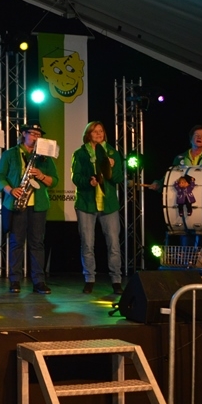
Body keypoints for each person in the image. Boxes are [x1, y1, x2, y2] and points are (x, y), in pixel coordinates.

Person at [0, 122, 57, 294]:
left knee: (37, 243)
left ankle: (39, 281)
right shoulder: (10, 154)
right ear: (24, 134)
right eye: (33, 134)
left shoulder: (45, 157)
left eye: (39, 135)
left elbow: (54, 181)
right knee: (16, 242)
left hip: (38, 206)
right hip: (17, 204)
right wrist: (11, 190)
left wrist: (41, 176)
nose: (36, 137)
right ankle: (15, 280)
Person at [71, 121, 124, 294]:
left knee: (114, 244)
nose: (99, 134)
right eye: (95, 131)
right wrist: (89, 181)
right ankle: (89, 279)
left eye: (101, 131)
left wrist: (111, 167)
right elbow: (76, 177)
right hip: (86, 204)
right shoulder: (80, 153)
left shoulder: (112, 153)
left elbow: (118, 179)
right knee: (87, 244)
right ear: (88, 134)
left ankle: (116, 280)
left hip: (108, 205)